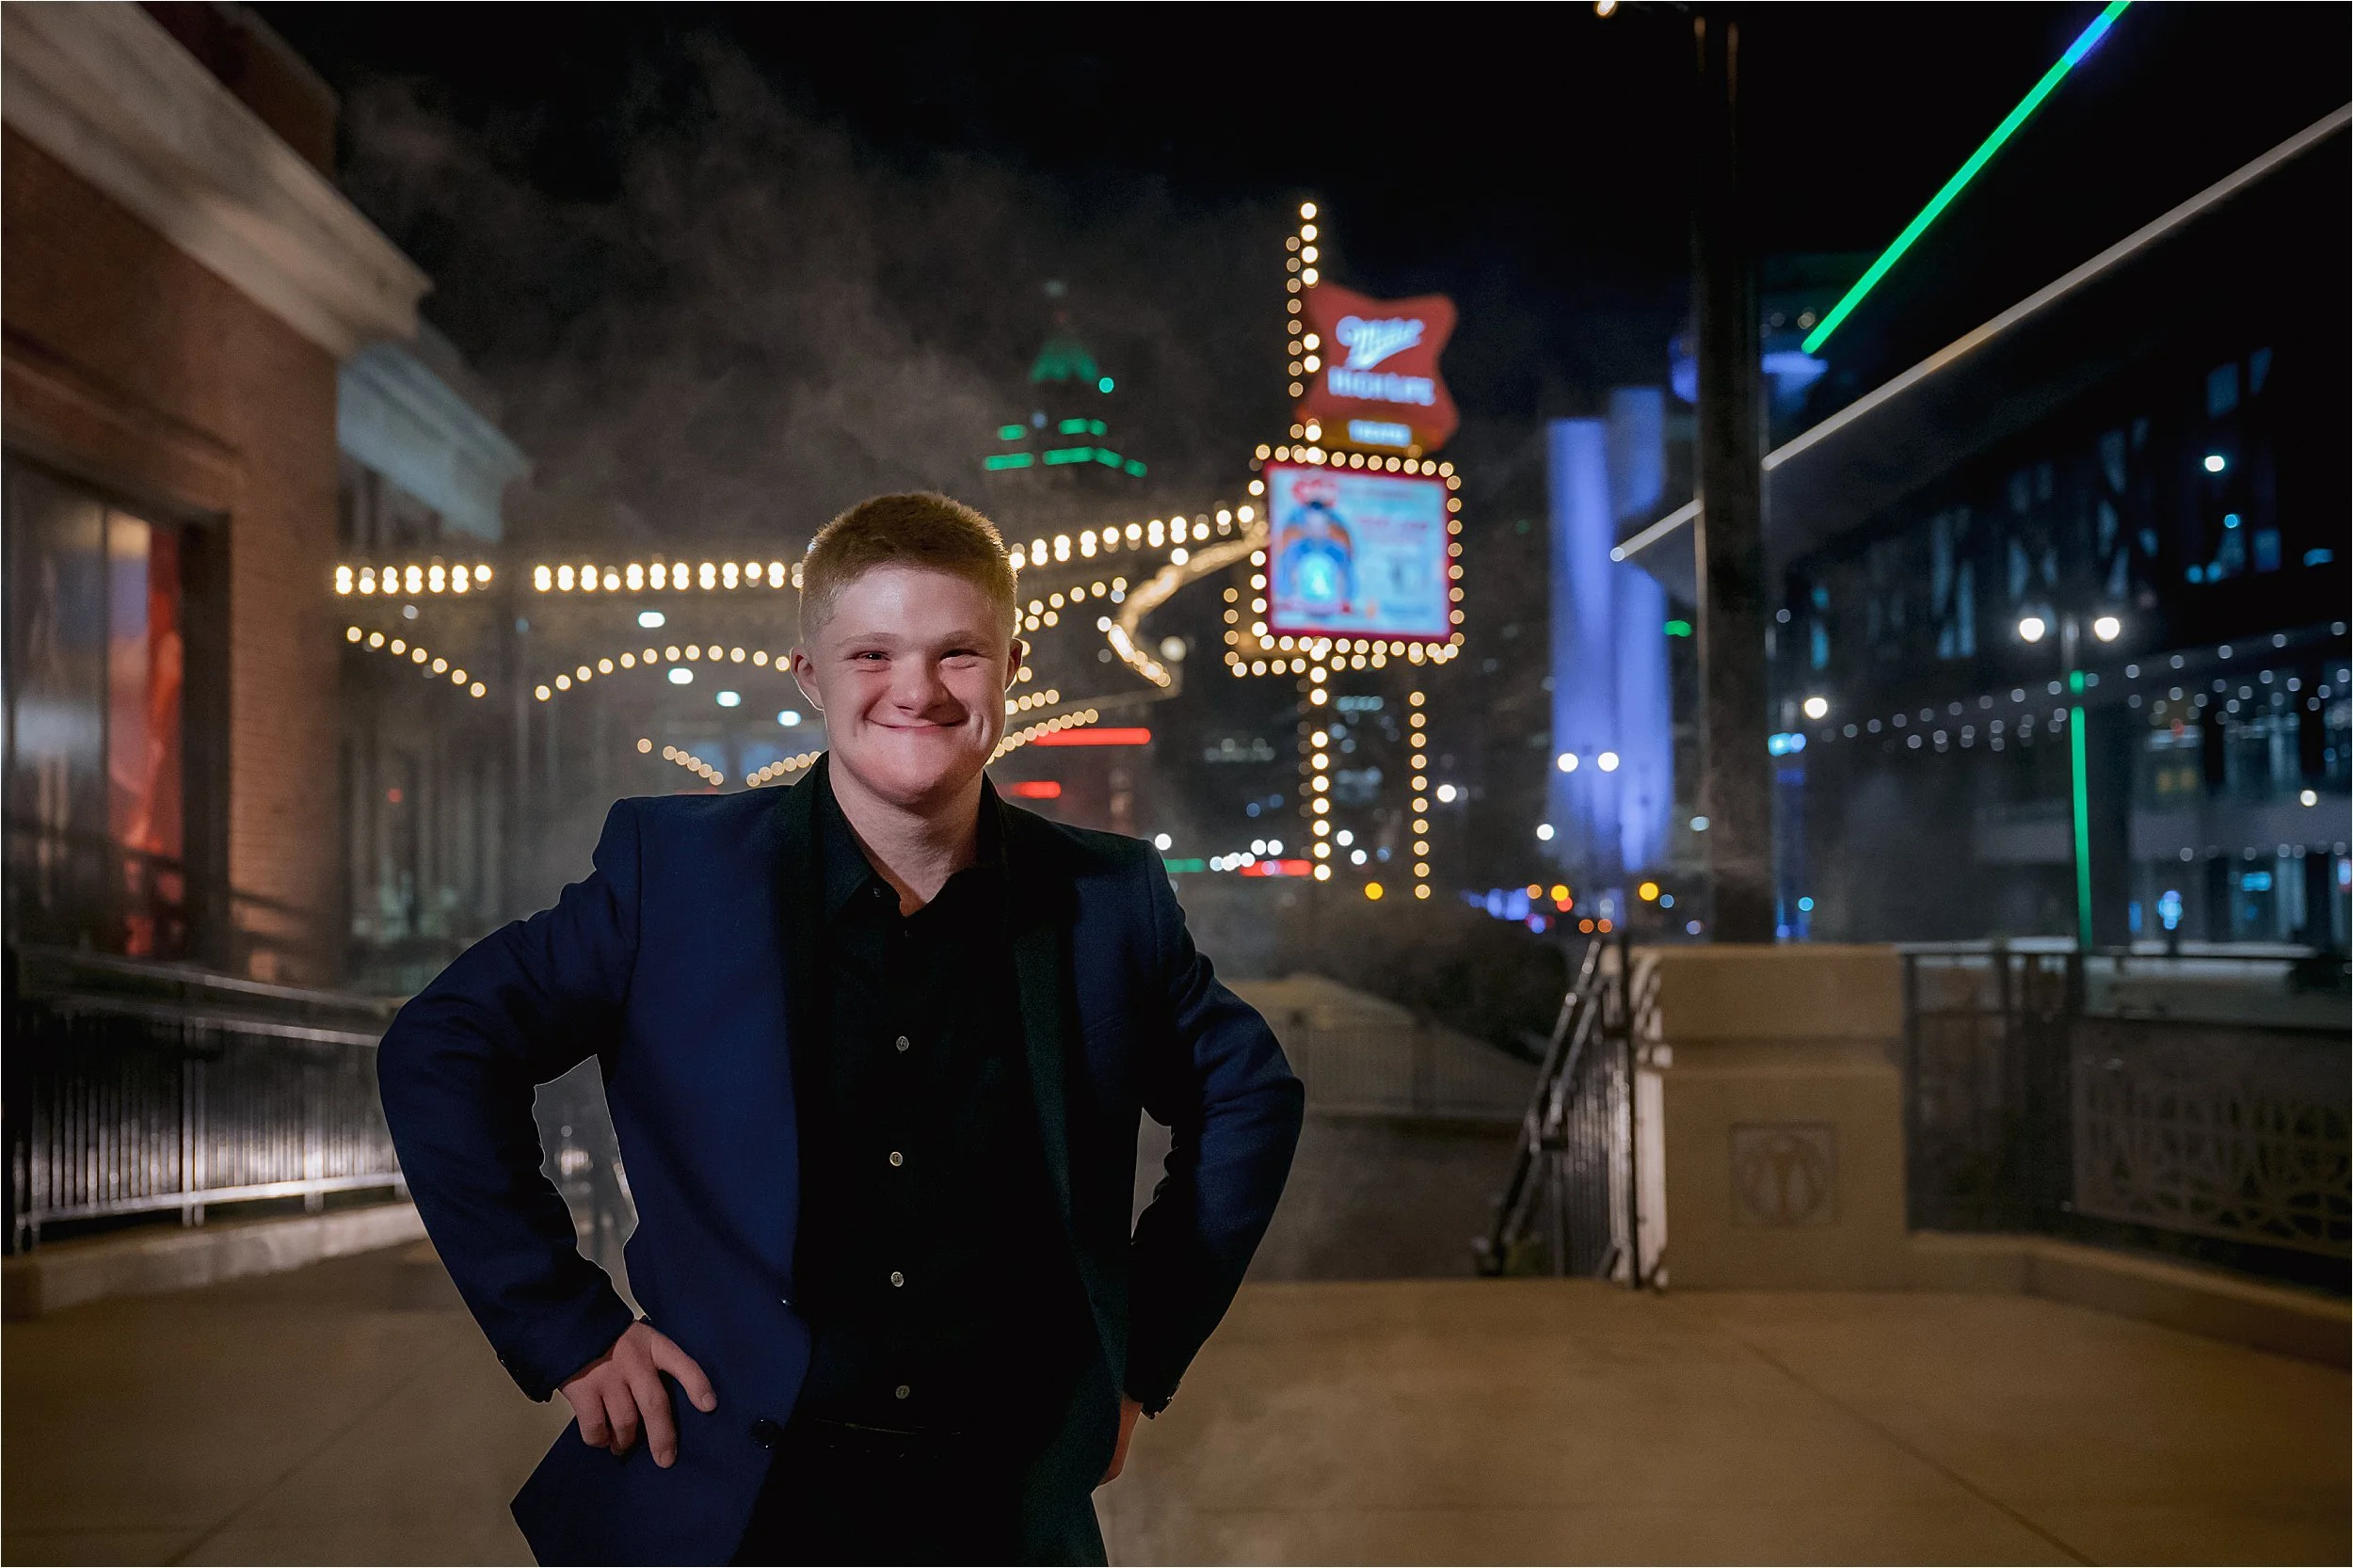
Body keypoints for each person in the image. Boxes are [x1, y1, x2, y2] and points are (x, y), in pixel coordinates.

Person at [377, 492, 1304, 1565]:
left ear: (1012, 664)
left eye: (957, 653)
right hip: (730, 1505)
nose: (915, 689)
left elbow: (1252, 1095)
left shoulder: (1108, 898)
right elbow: (441, 1044)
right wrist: (565, 1327)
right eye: (872, 652)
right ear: (810, 674)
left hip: (1001, 1513)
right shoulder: (671, 871)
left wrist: (1140, 1356)